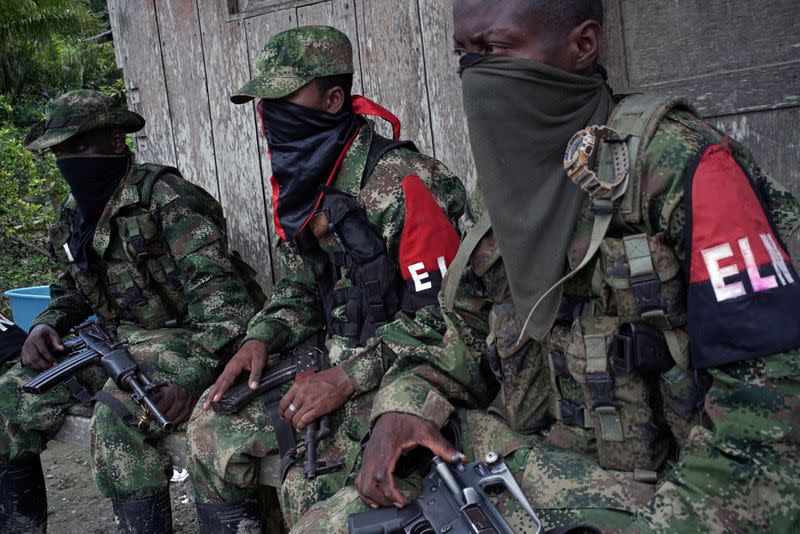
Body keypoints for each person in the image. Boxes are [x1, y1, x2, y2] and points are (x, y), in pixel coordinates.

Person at [290, 1, 800, 532]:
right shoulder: (500, 188)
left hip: (672, 494)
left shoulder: (682, 167)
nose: (477, 76)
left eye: (495, 49)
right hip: (528, 468)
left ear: (582, 46)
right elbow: (463, 326)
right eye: (464, 54)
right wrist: (406, 402)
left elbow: (770, 408)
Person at [185, 25, 465, 533]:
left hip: (402, 373)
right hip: (330, 359)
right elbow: (298, 287)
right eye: (262, 102)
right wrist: (259, 337)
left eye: (283, 97)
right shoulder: (307, 180)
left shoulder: (402, 182)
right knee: (210, 422)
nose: (269, 114)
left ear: (334, 99)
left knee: (311, 485)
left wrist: (345, 379)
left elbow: (447, 321)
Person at [0, 89, 262, 534]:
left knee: (119, 418)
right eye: (61, 151)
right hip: (116, 340)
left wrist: (190, 378)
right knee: (10, 395)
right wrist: (45, 324)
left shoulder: (169, 199)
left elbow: (229, 312)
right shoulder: (72, 215)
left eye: (81, 147)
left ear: (117, 141)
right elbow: (71, 288)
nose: (70, 161)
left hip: (191, 337)